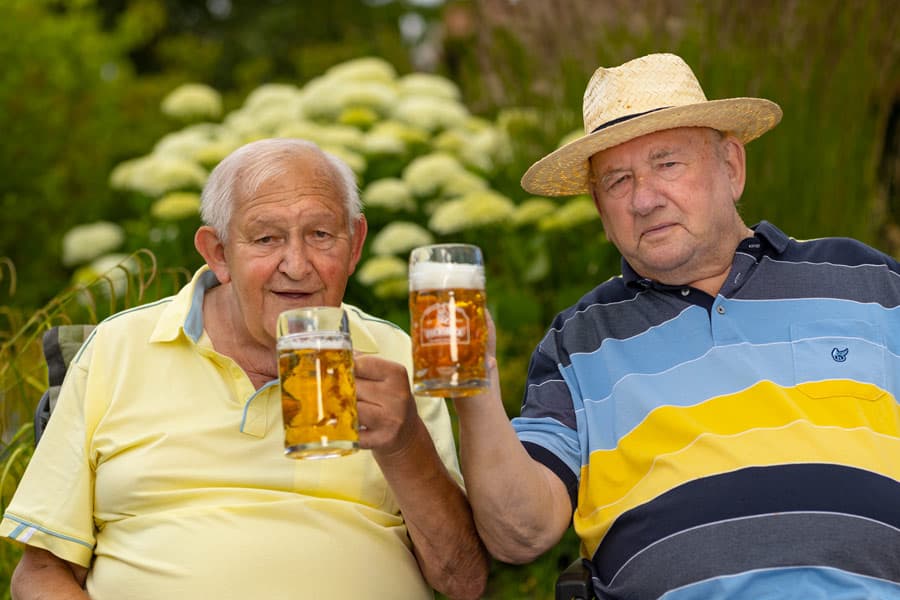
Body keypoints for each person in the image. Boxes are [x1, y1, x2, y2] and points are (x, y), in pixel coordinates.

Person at [453, 53, 900, 599]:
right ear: (598, 206)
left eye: (667, 164)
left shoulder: (867, 281)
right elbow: (521, 534)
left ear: (731, 167)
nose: (643, 200)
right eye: (618, 181)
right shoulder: (580, 342)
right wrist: (473, 383)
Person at [1, 138, 488, 600]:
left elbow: (463, 579)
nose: (296, 265)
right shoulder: (117, 348)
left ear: (355, 244)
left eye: (320, 235)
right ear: (218, 253)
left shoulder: (392, 354)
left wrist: (404, 445)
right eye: (266, 238)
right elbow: (42, 571)